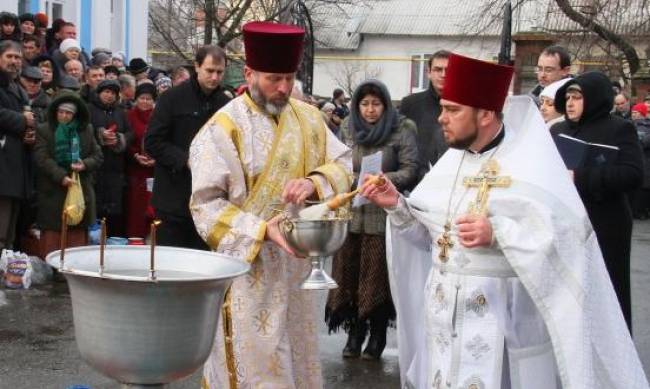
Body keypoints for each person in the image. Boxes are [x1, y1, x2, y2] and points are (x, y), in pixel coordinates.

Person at [361, 54, 648, 388]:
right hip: (444, 325)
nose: (441, 118)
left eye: (453, 110)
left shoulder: (531, 164)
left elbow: (567, 238)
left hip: (503, 327)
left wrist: (499, 233)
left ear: (484, 114)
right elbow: (429, 238)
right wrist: (396, 204)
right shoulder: (449, 165)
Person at [189, 22, 351, 389]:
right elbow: (205, 205)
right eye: (273, 78)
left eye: (289, 78)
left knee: (298, 361)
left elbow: (343, 164)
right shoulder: (223, 128)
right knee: (256, 367)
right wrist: (262, 229)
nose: (282, 89)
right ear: (249, 73)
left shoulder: (310, 118)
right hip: (248, 271)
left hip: (297, 271)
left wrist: (314, 181)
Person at [325, 79, 418, 360]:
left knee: (377, 278)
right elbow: (336, 165)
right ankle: (354, 332)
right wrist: (349, 181)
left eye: (376, 104)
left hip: (383, 217)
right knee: (349, 275)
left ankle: (377, 333)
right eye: (364, 103)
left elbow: (410, 168)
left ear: (386, 104)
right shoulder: (347, 127)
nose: (370, 110)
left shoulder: (403, 128)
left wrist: (383, 181)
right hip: (352, 214)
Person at [551, 71, 644, 330]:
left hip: (605, 222)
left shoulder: (619, 128)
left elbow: (633, 174)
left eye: (577, 97)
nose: (570, 102)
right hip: (565, 221)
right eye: (568, 96)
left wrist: (581, 177)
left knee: (606, 292)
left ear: (593, 98)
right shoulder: (558, 129)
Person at [144, 46, 231, 250]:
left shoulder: (226, 104)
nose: (215, 77)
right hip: (172, 198)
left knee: (201, 266)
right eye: (210, 71)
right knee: (170, 263)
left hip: (209, 201)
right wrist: (185, 160)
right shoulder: (172, 98)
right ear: (197, 67)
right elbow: (153, 142)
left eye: (220, 72)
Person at [33, 91, 103, 255]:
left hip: (80, 189)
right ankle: (54, 270)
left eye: (68, 113)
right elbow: (42, 158)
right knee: (53, 234)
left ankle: (74, 268)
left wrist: (84, 164)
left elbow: (98, 155)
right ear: (55, 111)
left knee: (76, 234)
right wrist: (60, 176)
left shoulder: (86, 130)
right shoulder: (44, 130)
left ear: (75, 114)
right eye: (61, 112)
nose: (64, 116)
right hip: (53, 190)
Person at [89, 79, 133, 236]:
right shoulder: (90, 109)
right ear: (99, 93)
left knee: (114, 212)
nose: (109, 96)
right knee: (96, 208)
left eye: (113, 93)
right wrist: (100, 134)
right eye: (106, 92)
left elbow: (130, 133)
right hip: (96, 167)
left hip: (115, 168)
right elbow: (85, 131)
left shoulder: (120, 112)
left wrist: (119, 139)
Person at [0, 40, 33, 251]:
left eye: (17, 57)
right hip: (2, 165)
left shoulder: (17, 87)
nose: (14, 61)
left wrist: (30, 133)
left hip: (16, 164)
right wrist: (23, 121)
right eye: (9, 56)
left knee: (9, 228)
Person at [400, 49, 450, 181]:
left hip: (451, 180)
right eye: (438, 69)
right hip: (415, 182)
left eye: (448, 70)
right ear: (429, 73)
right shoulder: (410, 104)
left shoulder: (464, 108)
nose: (443, 74)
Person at [125, 83, 157, 238]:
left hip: (153, 171)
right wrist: (135, 155)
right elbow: (126, 142)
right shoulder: (129, 116)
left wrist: (156, 158)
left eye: (149, 99)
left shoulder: (158, 116)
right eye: (142, 98)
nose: (145, 102)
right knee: (135, 209)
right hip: (135, 170)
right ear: (136, 99)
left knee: (152, 208)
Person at [631, 103, 650, 219]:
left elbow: (644, 142)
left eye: (636, 113)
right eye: (632, 112)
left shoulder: (647, 127)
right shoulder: (628, 125)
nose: (634, 115)